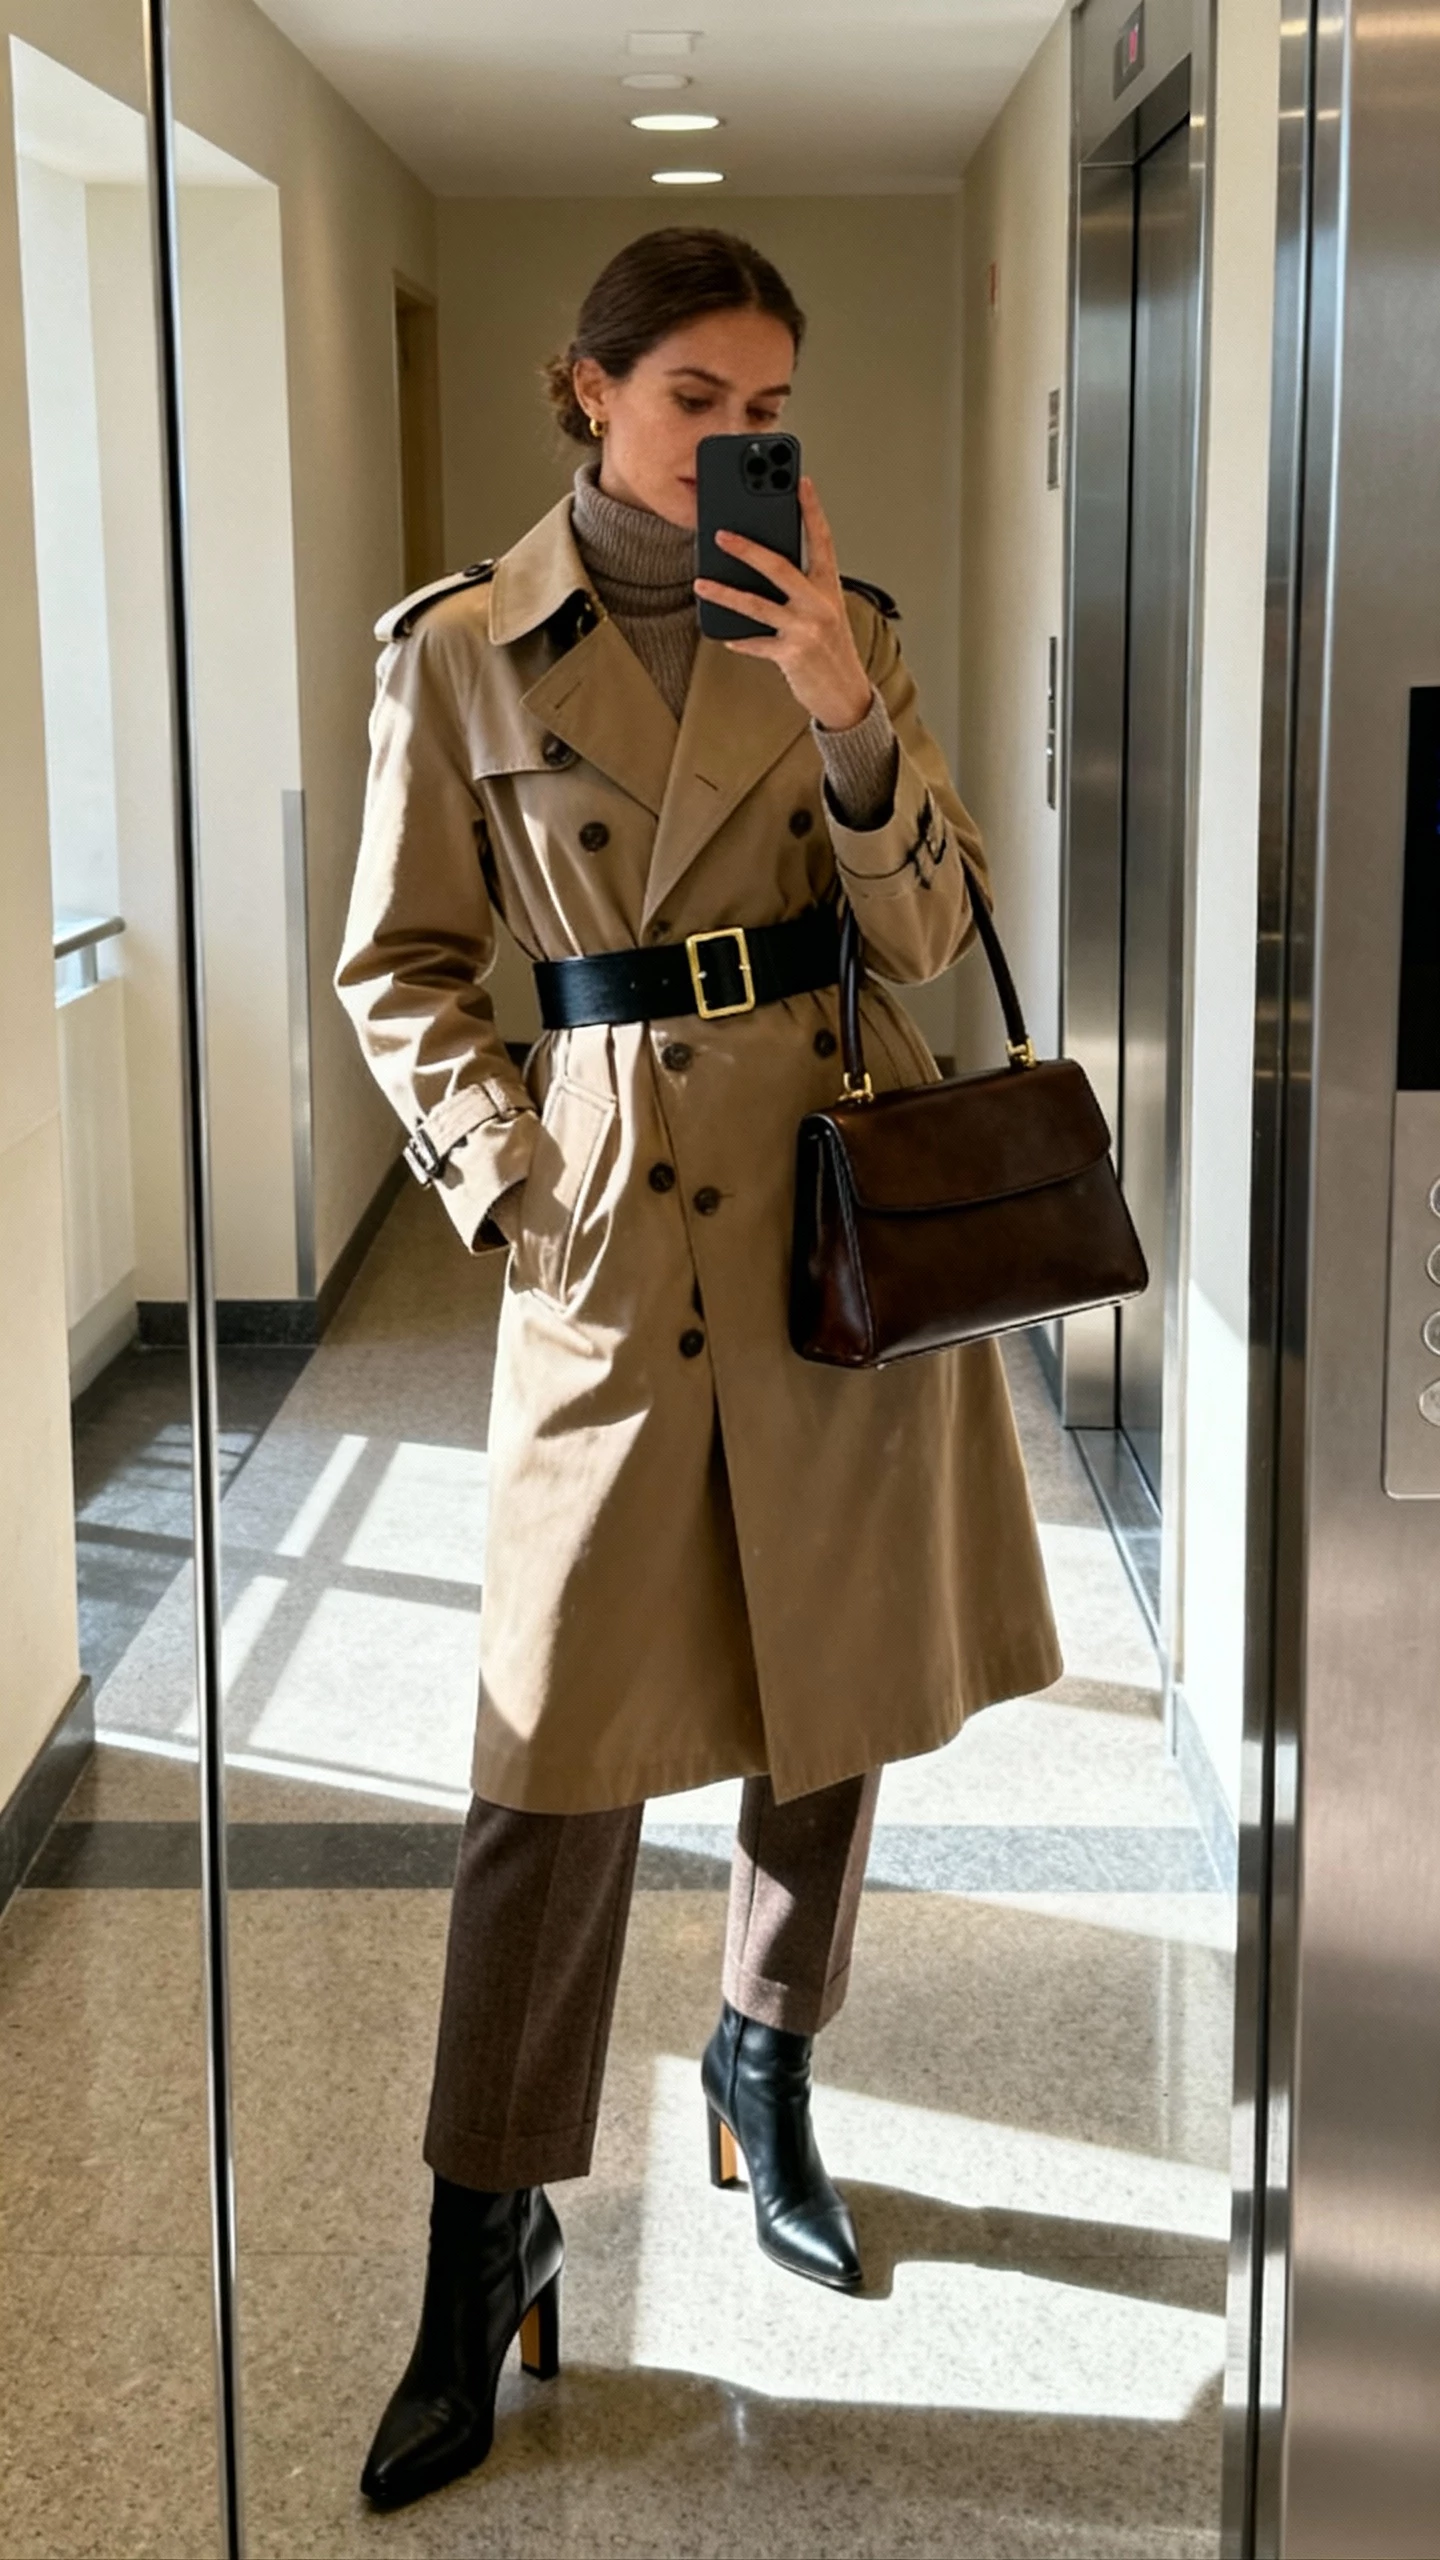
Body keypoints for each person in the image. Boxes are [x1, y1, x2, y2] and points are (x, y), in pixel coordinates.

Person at [336, 225, 1060, 2512]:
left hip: (828, 1206)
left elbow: (930, 931)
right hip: (609, 1224)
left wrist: (842, 698)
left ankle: (769, 2058)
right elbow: (400, 964)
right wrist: (512, 1184)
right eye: (695, 400)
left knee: (824, 1695)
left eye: (771, 408)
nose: (739, 439)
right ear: (588, 392)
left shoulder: (850, 628)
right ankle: (484, 2228)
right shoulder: (464, 646)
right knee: (547, 1759)